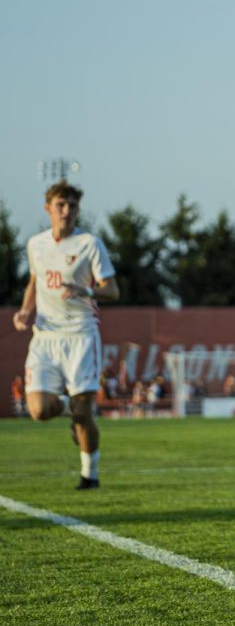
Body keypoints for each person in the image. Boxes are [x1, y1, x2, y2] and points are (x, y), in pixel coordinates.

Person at [12, 180, 119, 489]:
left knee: (84, 416)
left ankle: (90, 475)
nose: (67, 211)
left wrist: (85, 289)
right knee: (39, 410)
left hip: (81, 336)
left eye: (72, 206)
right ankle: (69, 407)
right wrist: (24, 310)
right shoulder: (36, 244)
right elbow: (35, 281)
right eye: (61, 205)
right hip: (45, 335)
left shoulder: (90, 244)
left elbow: (112, 289)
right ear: (48, 208)